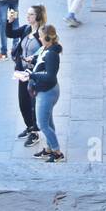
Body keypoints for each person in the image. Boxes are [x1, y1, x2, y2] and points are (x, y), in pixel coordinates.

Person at [6, 2, 47, 145]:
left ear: (38, 17)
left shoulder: (42, 34)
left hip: (34, 75)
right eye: (27, 13)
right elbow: (10, 34)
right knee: (22, 101)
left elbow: (46, 53)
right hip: (21, 72)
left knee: (33, 103)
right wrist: (9, 22)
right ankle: (29, 127)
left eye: (31, 14)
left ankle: (35, 131)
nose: (27, 16)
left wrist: (35, 65)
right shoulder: (25, 29)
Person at [29, 24, 64, 162]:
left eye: (41, 36)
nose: (39, 38)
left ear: (48, 38)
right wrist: (31, 62)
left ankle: (57, 152)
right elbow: (40, 63)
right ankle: (49, 148)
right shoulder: (46, 49)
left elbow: (50, 76)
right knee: (48, 121)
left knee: (42, 124)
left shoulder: (52, 55)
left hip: (47, 92)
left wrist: (33, 75)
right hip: (47, 90)